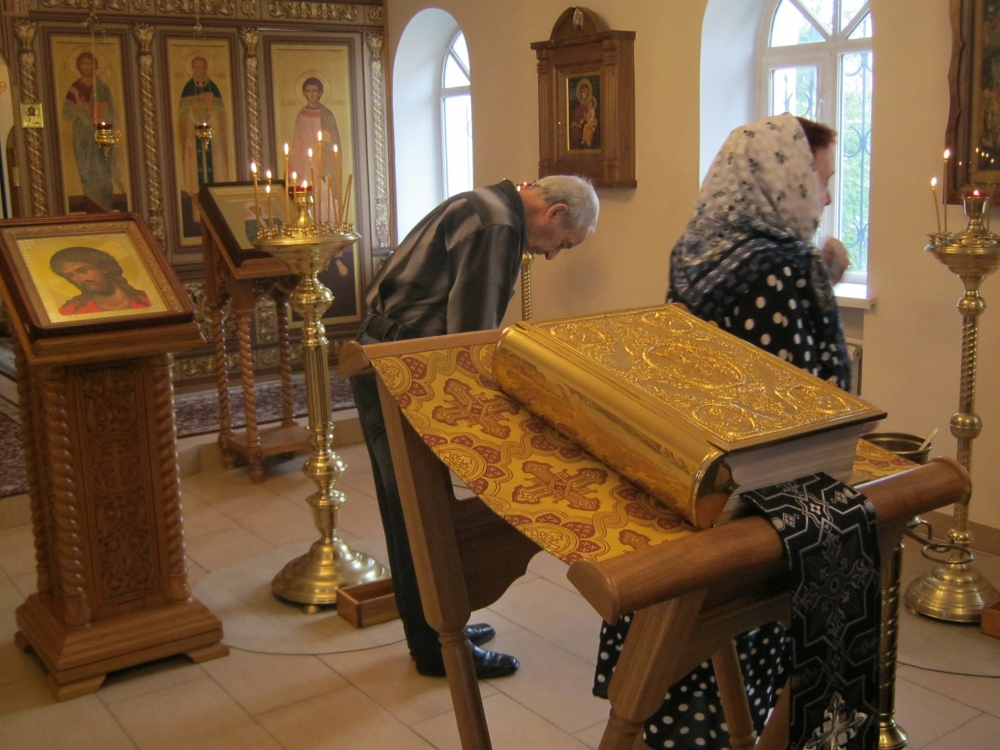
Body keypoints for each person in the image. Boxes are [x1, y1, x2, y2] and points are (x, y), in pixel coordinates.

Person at [592, 113, 850, 750]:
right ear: (781, 180)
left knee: (680, 658)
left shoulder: (699, 249)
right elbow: (812, 396)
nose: (825, 198)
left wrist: (816, 277)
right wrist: (817, 282)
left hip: (689, 487)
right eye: (819, 180)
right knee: (743, 654)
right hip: (760, 507)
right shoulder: (786, 267)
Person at [350, 175, 600, 679]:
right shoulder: (498, 225)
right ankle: (436, 645)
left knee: (408, 509)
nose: (552, 255)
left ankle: (439, 628)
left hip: (385, 356)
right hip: (401, 370)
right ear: (553, 213)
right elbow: (468, 339)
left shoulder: (484, 203)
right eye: (564, 243)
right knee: (418, 514)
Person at [63, 52, 121, 213]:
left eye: (89, 63)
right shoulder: (75, 88)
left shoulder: (102, 87)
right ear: (78, 66)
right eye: (83, 64)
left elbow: (111, 111)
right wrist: (80, 108)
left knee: (102, 170)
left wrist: (104, 122)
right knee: (86, 171)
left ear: (95, 66)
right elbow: (66, 112)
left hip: (101, 135)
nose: (86, 67)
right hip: (82, 135)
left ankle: (105, 207)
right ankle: (92, 209)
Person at [178, 56, 230, 235]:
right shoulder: (188, 87)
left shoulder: (213, 86)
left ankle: (217, 215)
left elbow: (221, 112)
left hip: (213, 139)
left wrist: (211, 108)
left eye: (202, 67)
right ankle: (197, 216)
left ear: (206, 68)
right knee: (196, 176)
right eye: (197, 68)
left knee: (215, 170)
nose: (199, 70)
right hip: (194, 139)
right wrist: (194, 109)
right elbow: (182, 112)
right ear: (193, 69)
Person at [51, 246, 151, 315]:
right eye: (70, 276)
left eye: (83, 271)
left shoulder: (147, 301)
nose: (81, 279)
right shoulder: (69, 312)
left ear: (102, 268)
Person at [289, 77, 340, 195]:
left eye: (314, 91)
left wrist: (328, 143)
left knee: (323, 191)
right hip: (305, 161)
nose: (311, 95)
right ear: (304, 93)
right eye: (308, 91)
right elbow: (298, 141)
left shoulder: (327, 114)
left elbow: (334, 140)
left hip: (323, 159)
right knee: (308, 189)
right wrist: (291, 165)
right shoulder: (301, 115)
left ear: (320, 93)